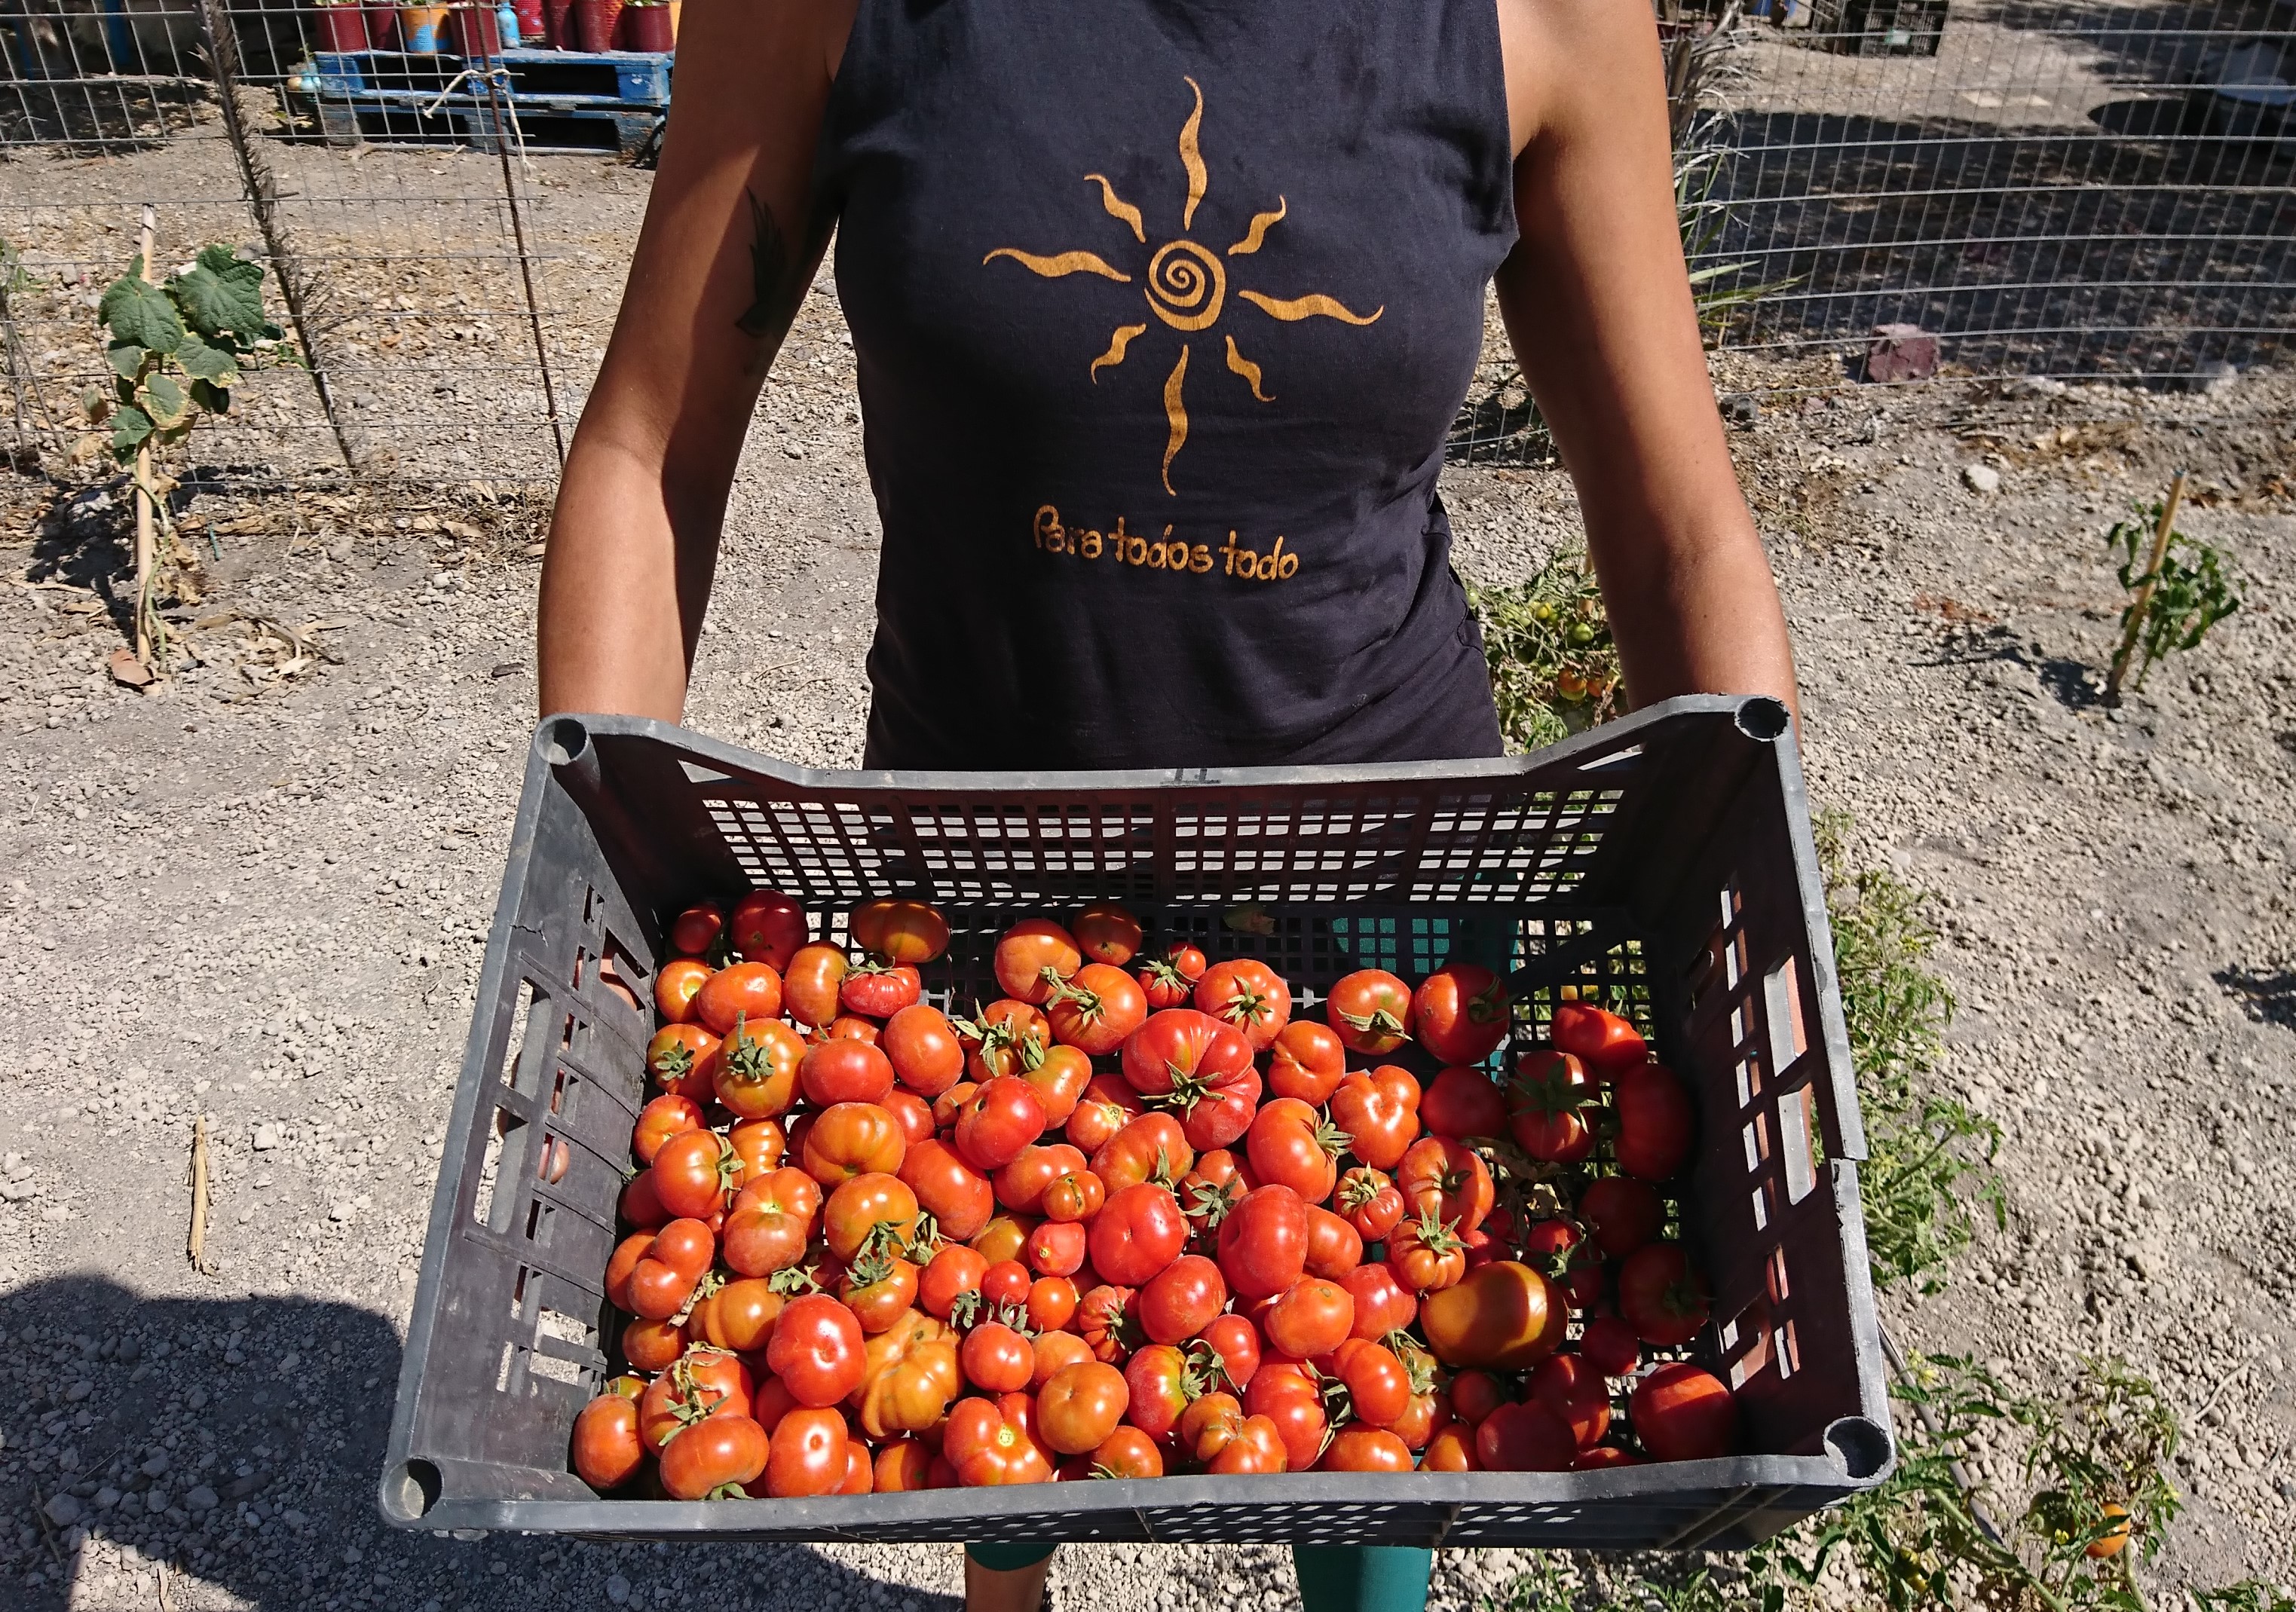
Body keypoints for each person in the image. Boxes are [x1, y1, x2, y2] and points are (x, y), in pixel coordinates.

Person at [538, 0, 1798, 1607]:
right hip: (983, 874)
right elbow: (648, 448)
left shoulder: (1534, 17)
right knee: (981, 1366)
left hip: (1383, 876)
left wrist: (1749, 879)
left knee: (1375, 1425)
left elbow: (1674, 514)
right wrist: (589, 870)